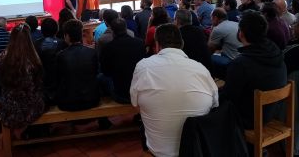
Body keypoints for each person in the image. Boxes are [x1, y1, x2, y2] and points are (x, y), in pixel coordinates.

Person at [130, 24, 218, 156]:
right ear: (182, 44)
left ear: (157, 45)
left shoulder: (143, 66)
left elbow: (135, 103)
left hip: (159, 151)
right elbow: (214, 104)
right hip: (197, 150)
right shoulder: (200, 68)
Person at [220, 11, 287, 129]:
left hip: (249, 119)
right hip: (273, 112)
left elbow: (228, 96)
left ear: (241, 33)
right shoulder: (276, 53)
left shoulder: (241, 64)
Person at [0, 23, 46, 138]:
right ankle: (23, 130)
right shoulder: (33, 60)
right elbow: (37, 85)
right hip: (30, 107)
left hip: (7, 108)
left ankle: (20, 130)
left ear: (11, 38)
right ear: (29, 39)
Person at [56, 19, 100, 111]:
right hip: (92, 99)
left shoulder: (61, 56)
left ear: (67, 36)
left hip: (68, 103)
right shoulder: (92, 53)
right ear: (81, 35)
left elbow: (59, 78)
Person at [100, 18, 145, 103]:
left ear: (112, 31)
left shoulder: (108, 47)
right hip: (139, 89)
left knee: (100, 77)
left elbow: (105, 71)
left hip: (120, 93)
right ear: (126, 29)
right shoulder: (139, 43)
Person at [34, 18, 66, 104]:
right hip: (61, 86)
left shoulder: (35, 44)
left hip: (41, 88)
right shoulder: (62, 44)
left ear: (42, 30)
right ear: (56, 29)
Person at [208, 8, 242, 78]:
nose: (210, 20)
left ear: (215, 18)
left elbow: (209, 48)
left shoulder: (218, 29)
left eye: (211, 17)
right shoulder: (235, 23)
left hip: (233, 60)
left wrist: (212, 29)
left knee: (208, 57)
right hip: (242, 58)